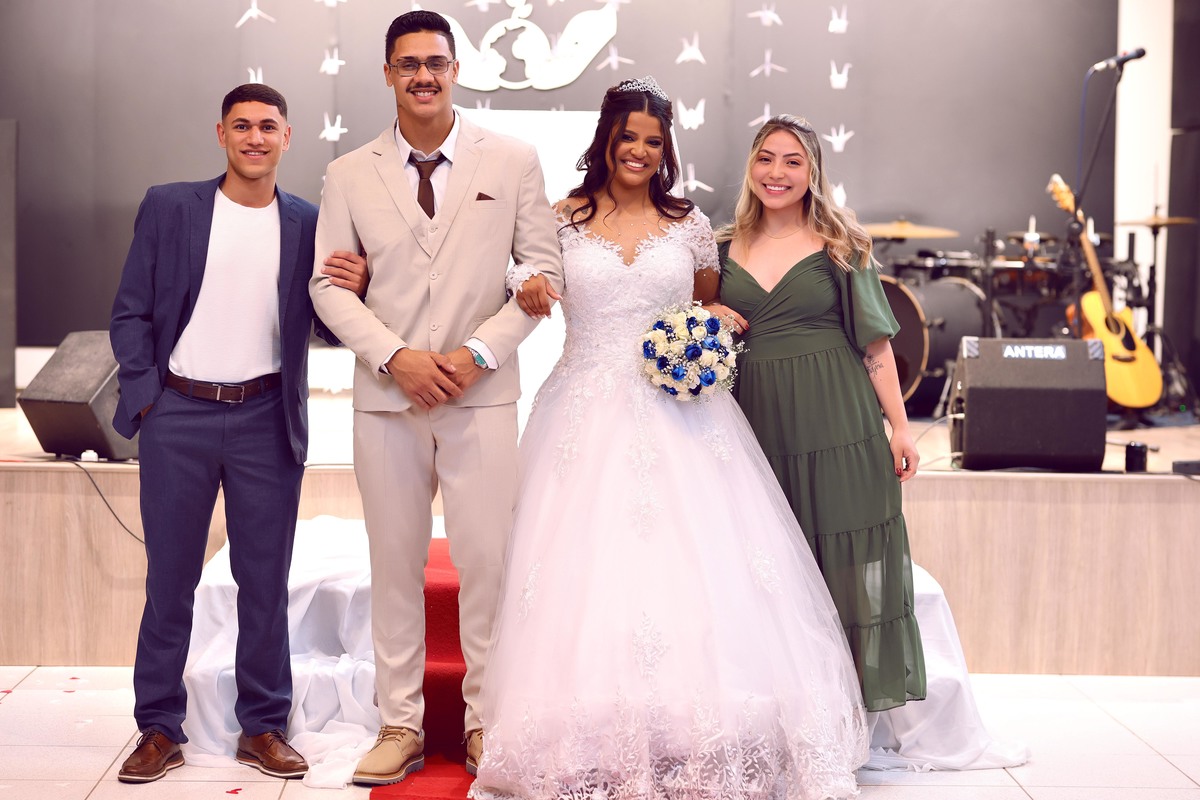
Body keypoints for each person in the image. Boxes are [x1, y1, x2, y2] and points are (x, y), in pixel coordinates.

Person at [468, 78, 868, 800]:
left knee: (695, 562)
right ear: (606, 140)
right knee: (586, 563)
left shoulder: (689, 224)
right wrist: (523, 279)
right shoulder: (562, 217)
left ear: (666, 150)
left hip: (679, 411)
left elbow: (704, 301)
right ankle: (592, 730)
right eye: (628, 137)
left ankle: (692, 732)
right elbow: (523, 272)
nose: (640, 151)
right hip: (582, 408)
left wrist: (708, 328)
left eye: (654, 141)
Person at [308, 10, 564, 787]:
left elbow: (542, 272)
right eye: (409, 63)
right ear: (388, 73)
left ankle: (487, 722)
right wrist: (396, 357)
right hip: (388, 400)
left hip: (481, 399)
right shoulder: (348, 173)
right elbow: (327, 285)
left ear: (456, 69)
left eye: (436, 62)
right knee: (395, 564)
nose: (423, 75)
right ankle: (400, 724)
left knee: (487, 563)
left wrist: (475, 354)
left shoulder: (512, 160)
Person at [109, 83, 367, 784]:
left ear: (287, 137)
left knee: (264, 582)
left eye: (268, 126)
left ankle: (263, 726)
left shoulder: (308, 222)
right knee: (171, 581)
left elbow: (325, 322)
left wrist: (359, 285)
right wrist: (147, 400)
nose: (255, 137)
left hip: (265, 420)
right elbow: (130, 311)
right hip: (178, 416)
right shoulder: (171, 207)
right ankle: (158, 728)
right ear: (221, 133)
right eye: (242, 125)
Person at [711, 114, 926, 714]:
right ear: (750, 167)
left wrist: (900, 427)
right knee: (768, 567)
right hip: (754, 424)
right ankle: (780, 712)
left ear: (813, 172)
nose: (776, 173)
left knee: (843, 561)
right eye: (765, 158)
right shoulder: (719, 248)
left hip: (839, 423)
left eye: (792, 161)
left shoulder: (842, 245)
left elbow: (876, 345)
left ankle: (846, 713)